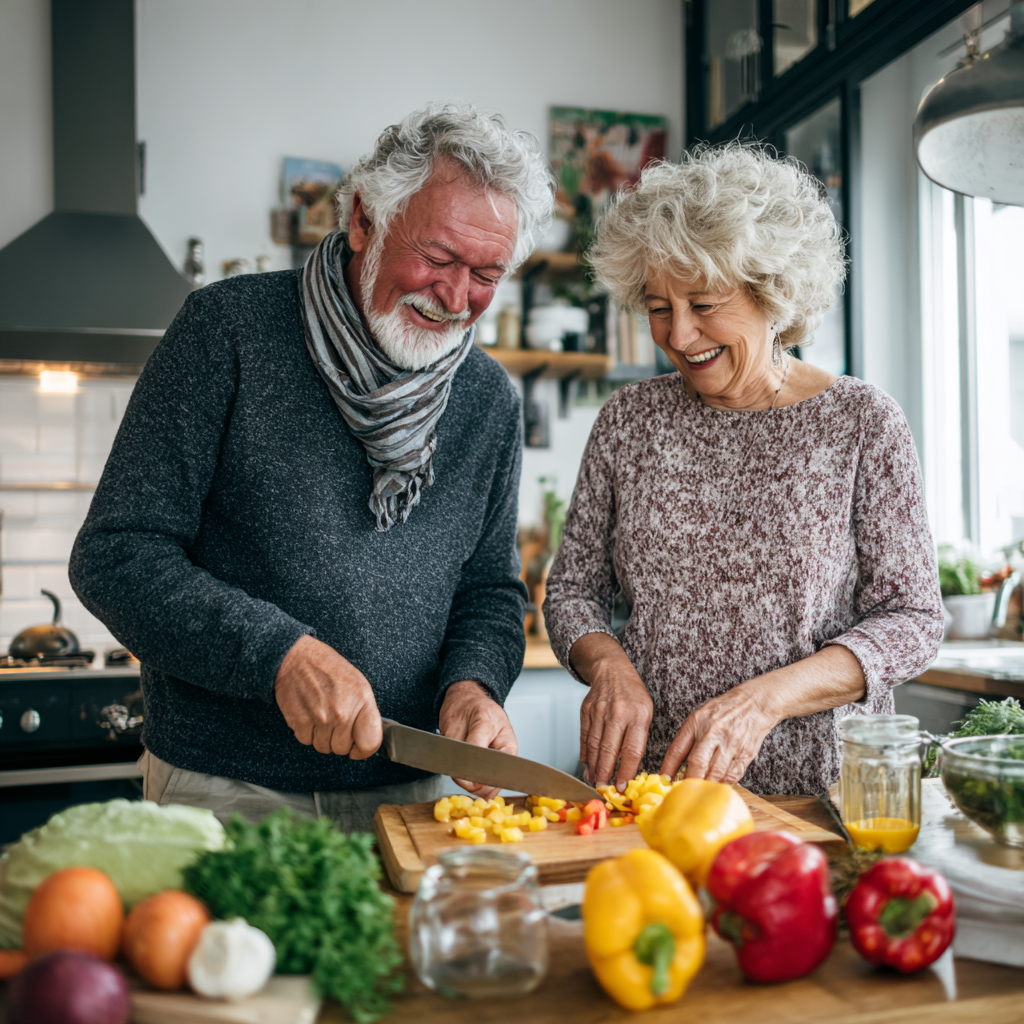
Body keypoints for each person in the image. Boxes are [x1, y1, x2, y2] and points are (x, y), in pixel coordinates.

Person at [70, 103, 555, 831]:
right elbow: (117, 555)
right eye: (439, 259)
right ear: (364, 218)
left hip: (415, 792)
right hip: (226, 790)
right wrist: (279, 656)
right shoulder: (225, 332)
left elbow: (489, 590)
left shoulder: (486, 398)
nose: (457, 299)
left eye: (486, 274)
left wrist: (474, 686)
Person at [543, 144, 943, 797]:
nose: (679, 334)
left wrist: (766, 700)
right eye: (658, 307)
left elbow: (911, 618)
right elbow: (573, 593)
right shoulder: (628, 422)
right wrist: (607, 663)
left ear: (772, 293)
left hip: (820, 797)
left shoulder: (861, 422)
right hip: (660, 797)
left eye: (704, 303)